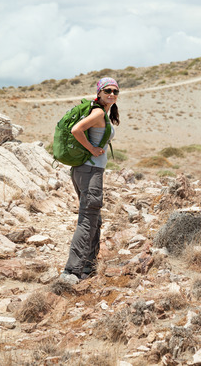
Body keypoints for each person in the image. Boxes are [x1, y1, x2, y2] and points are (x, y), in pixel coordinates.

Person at [60, 77, 120, 283]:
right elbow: (75, 130)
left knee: (94, 218)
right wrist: (92, 149)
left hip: (83, 170)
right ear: (99, 92)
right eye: (107, 90)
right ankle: (72, 271)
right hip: (90, 171)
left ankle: (89, 266)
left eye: (115, 91)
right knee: (87, 219)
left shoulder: (100, 112)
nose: (111, 94)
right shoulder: (97, 112)